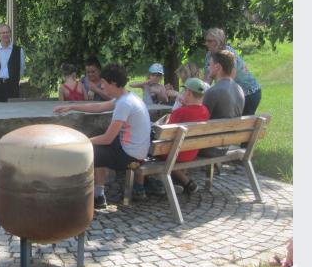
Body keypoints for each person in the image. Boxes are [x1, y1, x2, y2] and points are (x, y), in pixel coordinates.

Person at [54, 64, 152, 209]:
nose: (101, 85)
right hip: (136, 152)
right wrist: (72, 106)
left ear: (113, 83)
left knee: (86, 152)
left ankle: (80, 196)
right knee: (97, 145)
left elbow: (107, 138)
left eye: (103, 83)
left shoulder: (124, 104)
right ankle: (99, 196)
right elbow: (99, 107)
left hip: (132, 158)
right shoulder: (127, 97)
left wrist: (80, 142)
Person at [163, 78, 211, 194]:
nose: (183, 93)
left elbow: (165, 134)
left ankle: (163, 183)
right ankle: (181, 181)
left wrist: (167, 120)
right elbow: (193, 112)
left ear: (189, 93)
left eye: (184, 91)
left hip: (174, 153)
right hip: (192, 151)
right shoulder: (205, 111)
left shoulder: (180, 112)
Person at [202, 28, 262, 116]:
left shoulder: (228, 54)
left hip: (249, 93)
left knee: (238, 124)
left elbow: (231, 75)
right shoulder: (209, 55)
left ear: (218, 41)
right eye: (206, 41)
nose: (206, 44)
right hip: (235, 93)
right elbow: (207, 79)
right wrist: (199, 92)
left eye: (210, 41)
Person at [201, 50, 245, 157]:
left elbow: (200, 121)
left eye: (209, 65)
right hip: (226, 146)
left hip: (210, 148)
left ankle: (178, 174)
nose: (208, 68)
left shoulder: (213, 91)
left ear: (217, 67)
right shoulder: (239, 90)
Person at [0, 23, 25, 102]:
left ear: (10, 33)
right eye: (2, 33)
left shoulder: (18, 50)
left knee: (12, 112)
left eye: (7, 32)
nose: (5, 34)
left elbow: (21, 69)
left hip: (12, 87)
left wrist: (13, 80)